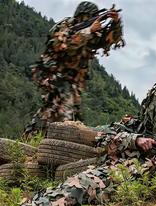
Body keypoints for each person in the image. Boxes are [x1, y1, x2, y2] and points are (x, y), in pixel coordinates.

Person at [24, 81, 156, 206]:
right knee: (70, 193)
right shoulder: (134, 125)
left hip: (136, 189)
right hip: (109, 176)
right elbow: (101, 139)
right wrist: (134, 140)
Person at [23, 1, 124, 139]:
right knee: (62, 108)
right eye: (89, 17)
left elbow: (109, 40)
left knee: (59, 111)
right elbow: (64, 45)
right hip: (54, 74)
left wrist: (116, 23)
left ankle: (36, 137)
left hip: (72, 80)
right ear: (81, 16)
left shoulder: (92, 33)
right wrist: (88, 31)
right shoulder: (65, 26)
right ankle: (41, 139)